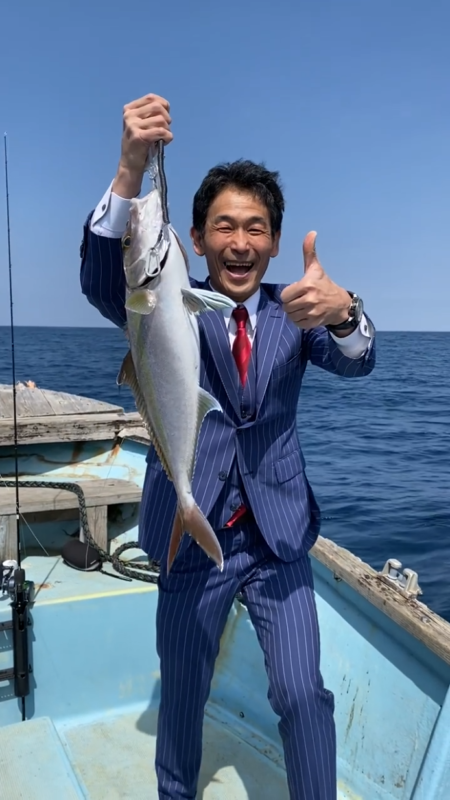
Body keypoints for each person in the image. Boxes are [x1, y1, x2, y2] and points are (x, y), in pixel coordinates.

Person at [80, 93, 376, 800]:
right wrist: (129, 167)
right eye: (223, 227)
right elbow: (102, 280)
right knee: (181, 696)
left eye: (255, 229)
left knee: (304, 695)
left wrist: (346, 311)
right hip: (188, 541)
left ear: (273, 242)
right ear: (195, 237)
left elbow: (359, 359)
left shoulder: (294, 310)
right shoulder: (161, 300)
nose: (239, 242)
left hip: (278, 541)